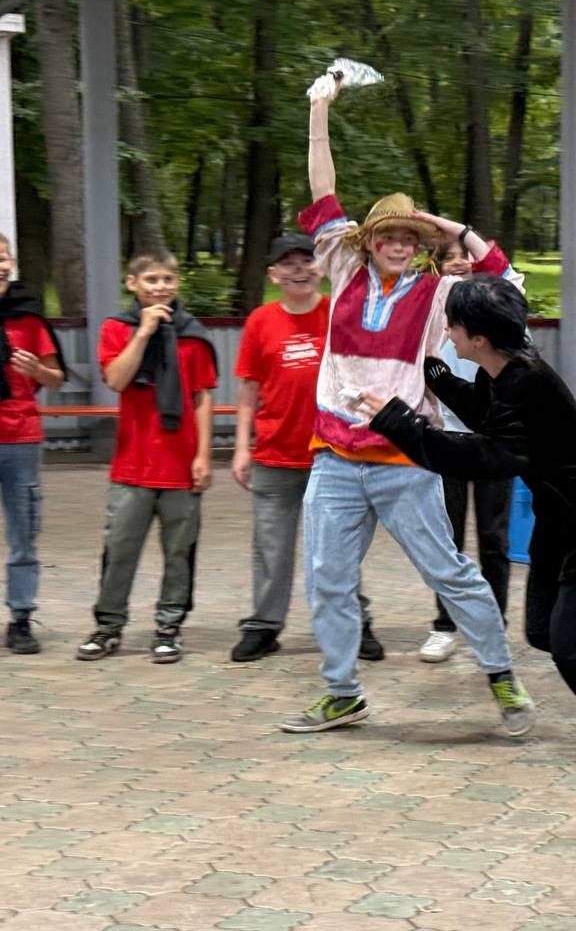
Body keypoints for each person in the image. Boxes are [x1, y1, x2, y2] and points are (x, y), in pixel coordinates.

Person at [361, 273, 576, 765]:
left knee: (571, 643)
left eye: (452, 325)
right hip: (560, 523)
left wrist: (398, 422)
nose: (447, 332)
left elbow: (483, 457)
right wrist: (433, 373)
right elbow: (485, 413)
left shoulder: (528, 383)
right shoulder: (501, 370)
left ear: (478, 338)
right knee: (543, 631)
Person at [279, 85, 532, 735]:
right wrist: (319, 108)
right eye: (387, 235)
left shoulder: (439, 292)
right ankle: (342, 693)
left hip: (405, 456)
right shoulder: (341, 266)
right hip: (335, 457)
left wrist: (454, 230)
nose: (396, 243)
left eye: (407, 236)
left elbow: (505, 282)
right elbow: (322, 187)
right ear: (368, 242)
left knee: (449, 572)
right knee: (327, 578)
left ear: (419, 243)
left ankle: (501, 675)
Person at [229, 234, 384, 663]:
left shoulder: (339, 313)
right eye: (288, 263)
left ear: (321, 268)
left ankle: (354, 622)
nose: (299, 269)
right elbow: (248, 391)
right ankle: (264, 625)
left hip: (332, 454)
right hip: (274, 454)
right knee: (271, 547)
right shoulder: (260, 321)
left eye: (306, 261)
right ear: (273, 274)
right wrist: (241, 448)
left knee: (337, 547)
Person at [76, 250, 218, 665]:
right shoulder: (117, 328)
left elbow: (202, 398)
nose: (160, 287)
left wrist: (204, 455)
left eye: (167, 279)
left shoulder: (194, 335)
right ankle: (108, 626)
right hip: (132, 465)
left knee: (179, 552)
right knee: (119, 549)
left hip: (181, 463)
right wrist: (144, 332)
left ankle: (169, 627)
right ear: (133, 284)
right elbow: (116, 379)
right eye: (151, 280)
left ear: (177, 283)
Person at [418, 235, 517, 665]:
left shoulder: (496, 307)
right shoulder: (427, 311)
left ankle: (494, 625)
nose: (459, 263)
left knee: (494, 538)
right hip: (449, 438)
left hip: (495, 440)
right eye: (450, 258)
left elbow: (506, 270)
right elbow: (418, 367)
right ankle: (445, 624)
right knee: (448, 538)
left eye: (466, 257)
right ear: (436, 265)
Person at [0, 234, 66, 654]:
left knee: (23, 533)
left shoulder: (29, 319)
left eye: (3, 258)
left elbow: (56, 378)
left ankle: (21, 618)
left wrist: (36, 371)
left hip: (18, 437)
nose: (0, 266)